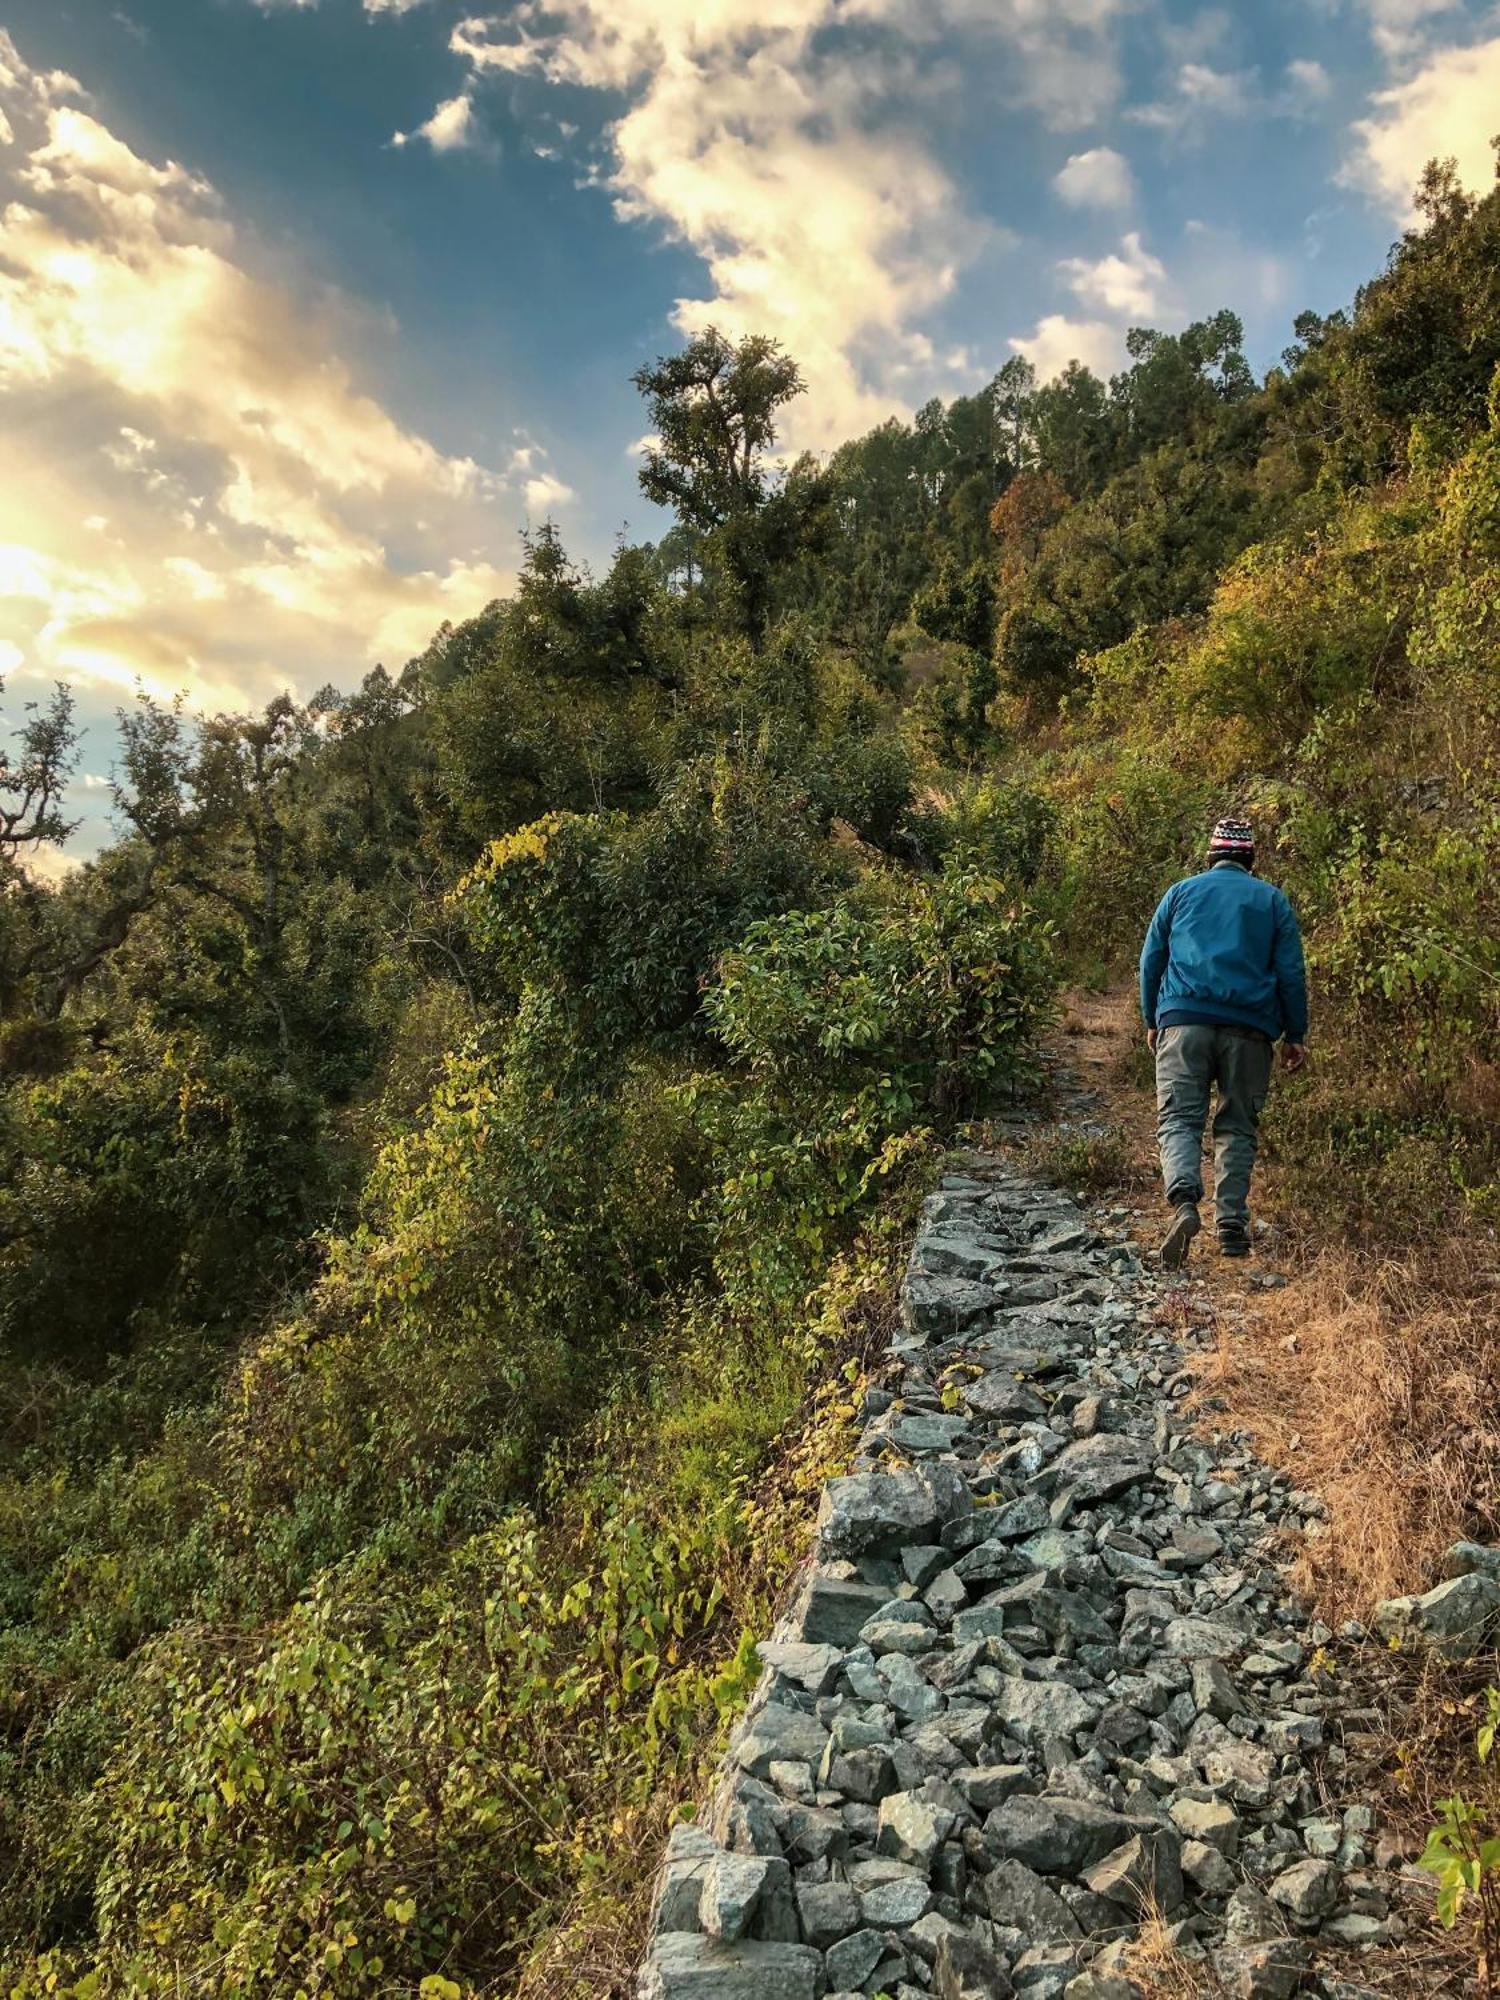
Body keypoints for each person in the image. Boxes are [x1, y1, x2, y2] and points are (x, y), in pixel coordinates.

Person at [1139, 817, 1308, 1268]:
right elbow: (1291, 973)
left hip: (1183, 1022)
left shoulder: (1180, 893)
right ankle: (1231, 1223)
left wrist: (1152, 1017)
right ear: (1250, 859)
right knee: (1237, 1126)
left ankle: (1184, 1204)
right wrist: (1296, 1035)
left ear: (1210, 855)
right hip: (1250, 1030)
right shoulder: (1272, 901)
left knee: (1179, 1119)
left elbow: (1151, 959)